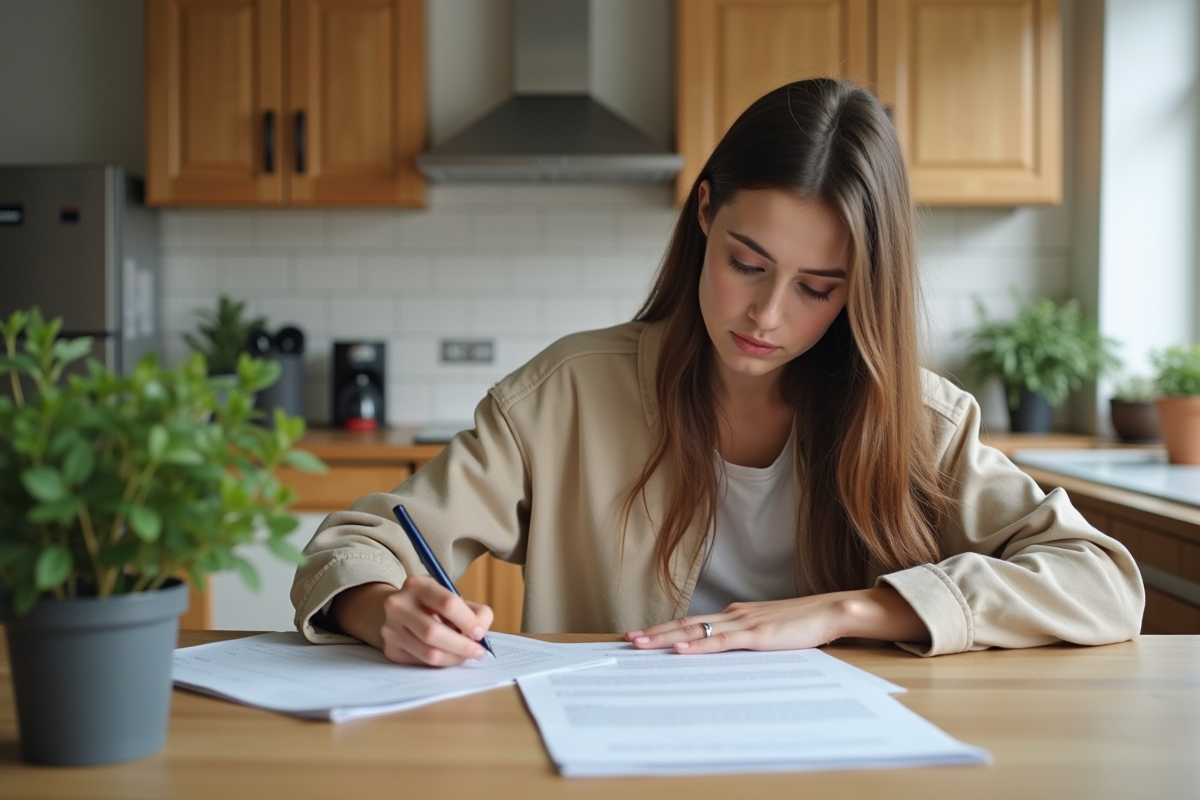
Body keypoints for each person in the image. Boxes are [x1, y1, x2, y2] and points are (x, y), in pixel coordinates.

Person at [290, 78, 1143, 666]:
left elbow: (1101, 581)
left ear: (861, 290)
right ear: (706, 214)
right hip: (611, 757)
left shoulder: (918, 419)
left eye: (817, 288)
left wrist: (849, 609)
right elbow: (356, 546)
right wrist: (383, 612)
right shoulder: (563, 398)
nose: (767, 316)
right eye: (747, 262)